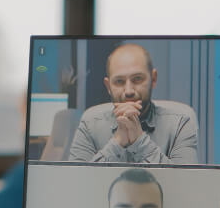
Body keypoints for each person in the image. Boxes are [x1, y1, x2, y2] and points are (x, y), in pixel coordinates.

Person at [68, 43, 199, 164]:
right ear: (108, 86)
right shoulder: (90, 123)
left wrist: (140, 141)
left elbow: (184, 184)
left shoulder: (180, 122)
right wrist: (117, 143)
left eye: (137, 79)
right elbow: (77, 182)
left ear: (153, 79)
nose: (129, 91)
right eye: (119, 81)